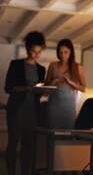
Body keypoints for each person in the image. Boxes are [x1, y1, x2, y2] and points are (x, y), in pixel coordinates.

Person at [4, 31, 46, 175]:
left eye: (39, 52)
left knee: (28, 145)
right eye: (34, 51)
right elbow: (8, 88)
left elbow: (40, 93)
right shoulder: (15, 65)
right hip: (16, 109)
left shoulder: (41, 69)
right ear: (28, 49)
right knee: (13, 142)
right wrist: (28, 88)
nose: (36, 55)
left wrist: (46, 90)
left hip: (32, 111)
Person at [45, 39, 86, 129]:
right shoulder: (53, 65)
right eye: (60, 53)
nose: (63, 55)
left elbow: (83, 88)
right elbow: (46, 86)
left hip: (69, 105)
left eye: (66, 52)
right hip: (54, 103)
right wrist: (55, 80)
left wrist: (70, 82)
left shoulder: (77, 67)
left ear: (71, 52)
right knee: (52, 133)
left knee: (68, 133)